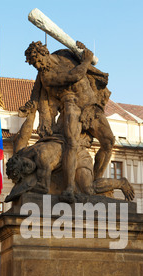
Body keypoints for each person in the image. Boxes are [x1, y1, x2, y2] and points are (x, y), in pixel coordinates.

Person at [22, 41, 115, 202]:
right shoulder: (46, 76)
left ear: (44, 53)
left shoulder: (64, 54)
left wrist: (82, 50)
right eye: (34, 64)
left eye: (37, 60)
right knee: (71, 144)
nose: (37, 65)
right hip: (72, 106)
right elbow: (74, 76)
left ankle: (95, 182)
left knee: (109, 142)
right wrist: (86, 61)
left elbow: (83, 60)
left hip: (92, 107)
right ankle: (69, 188)